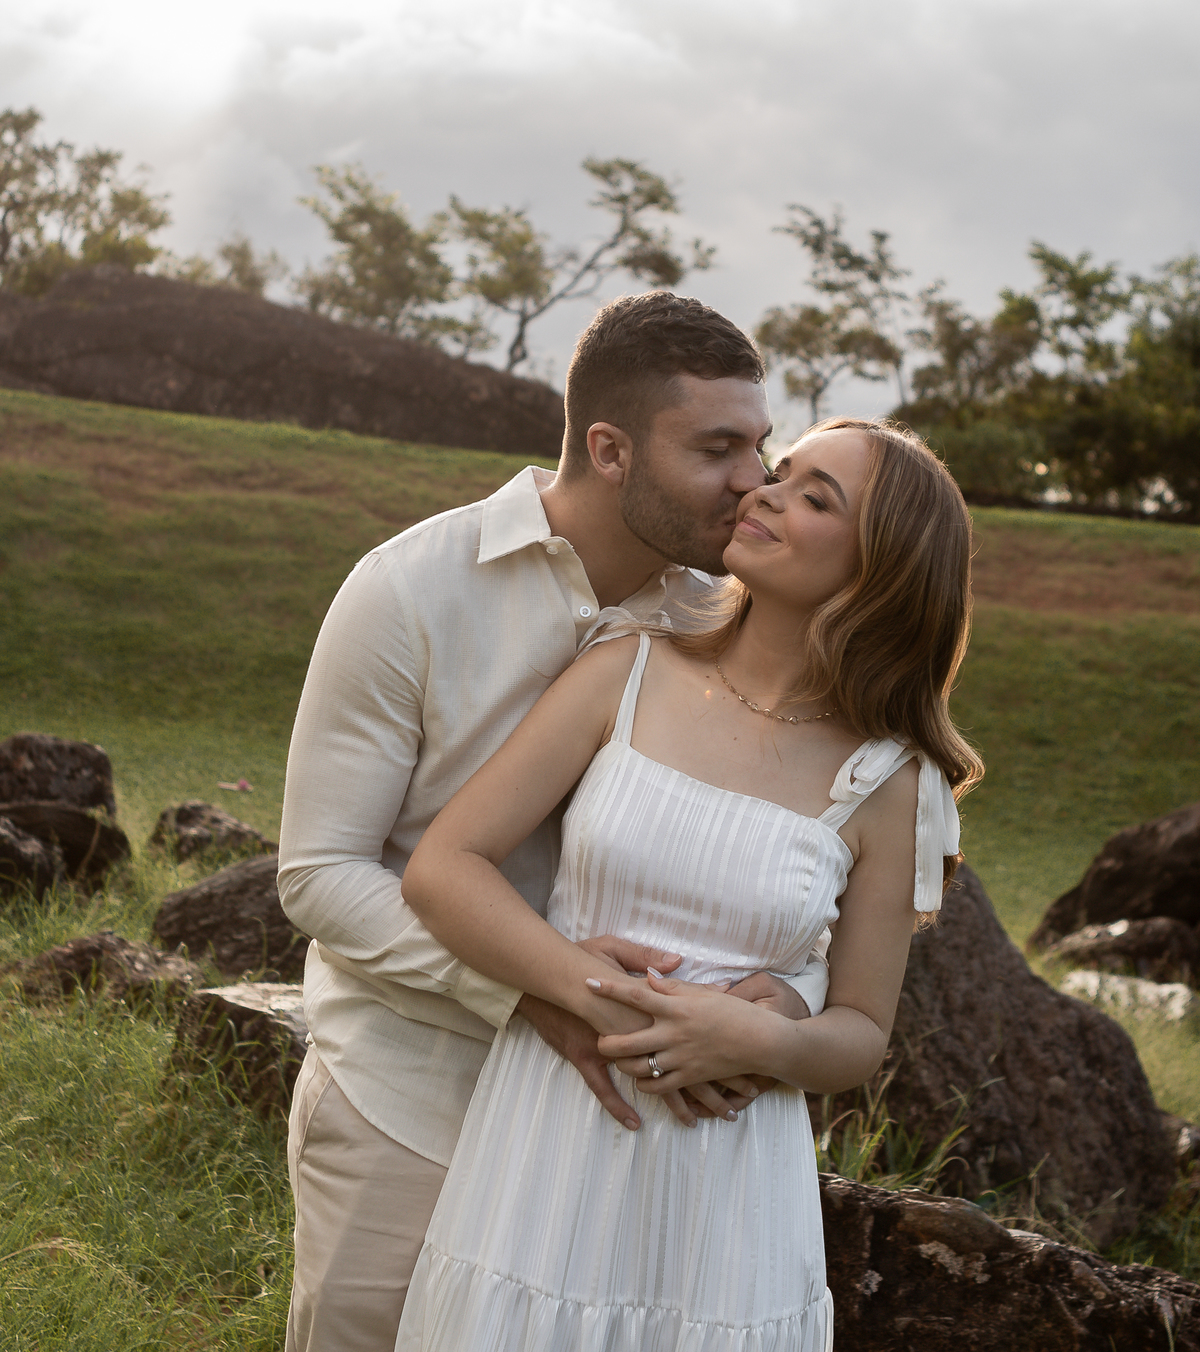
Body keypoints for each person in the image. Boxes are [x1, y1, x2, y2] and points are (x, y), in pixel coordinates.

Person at [277, 292, 831, 1352]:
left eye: (762, 443)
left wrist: (786, 1000)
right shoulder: (408, 591)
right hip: (413, 1093)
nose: (755, 480)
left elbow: (799, 858)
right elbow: (319, 872)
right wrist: (532, 989)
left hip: (620, 1135)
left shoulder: (728, 626)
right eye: (719, 448)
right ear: (611, 449)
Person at [397, 416, 982, 1351]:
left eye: (815, 496)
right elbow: (443, 869)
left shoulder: (891, 782)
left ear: (884, 568)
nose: (766, 493)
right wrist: (595, 995)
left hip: (728, 1182)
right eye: (781, 472)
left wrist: (754, 1033)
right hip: (553, 1133)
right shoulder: (626, 669)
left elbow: (861, 1034)